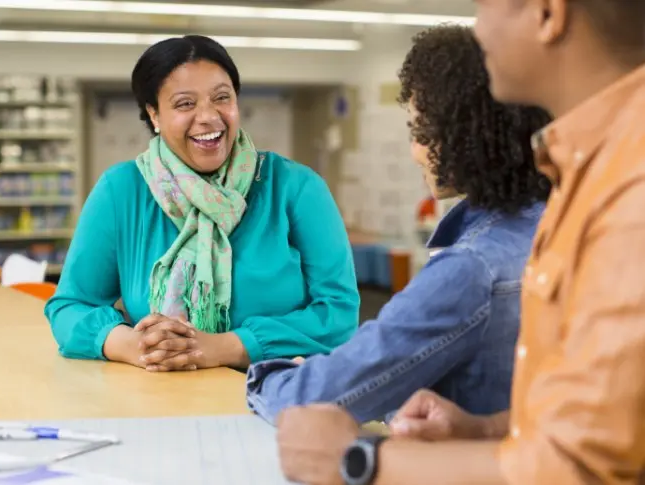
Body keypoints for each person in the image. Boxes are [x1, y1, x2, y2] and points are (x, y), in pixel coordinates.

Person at [275, 1, 645, 485]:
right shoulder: (583, 174)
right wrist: (485, 428)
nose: (478, 24)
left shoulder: (628, 193)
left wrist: (361, 461)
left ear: (548, 14)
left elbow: (580, 468)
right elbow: (607, 416)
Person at [246, 24, 550, 427]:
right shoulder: (555, 227)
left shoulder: (470, 268)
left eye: (419, 130)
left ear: (462, 136)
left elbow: (313, 401)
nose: (415, 151)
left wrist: (272, 376)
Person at [44, 35, 360, 372]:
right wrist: (135, 346)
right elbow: (70, 307)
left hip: (282, 395)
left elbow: (338, 313)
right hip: (164, 395)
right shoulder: (121, 191)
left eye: (222, 97)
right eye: (184, 104)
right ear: (154, 114)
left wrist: (225, 347)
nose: (209, 117)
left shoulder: (296, 188)